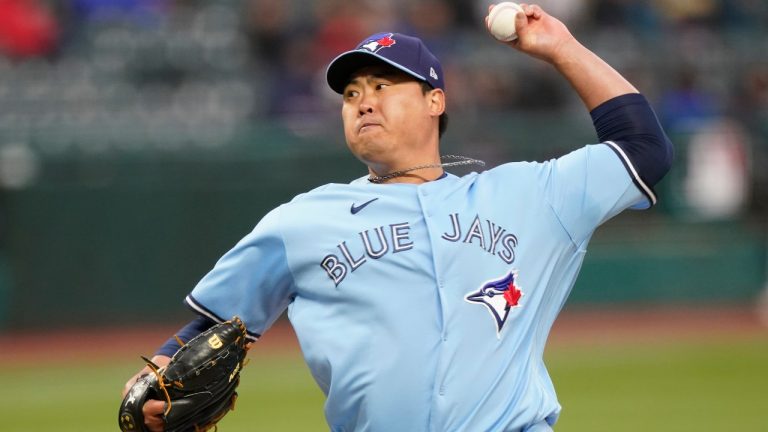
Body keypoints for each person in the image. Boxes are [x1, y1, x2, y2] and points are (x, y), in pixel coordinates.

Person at [122, 4, 673, 431]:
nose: (363, 101)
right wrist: (156, 377)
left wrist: (561, 48)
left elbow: (645, 148)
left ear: (436, 101)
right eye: (352, 93)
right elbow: (213, 327)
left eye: (384, 86)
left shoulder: (531, 195)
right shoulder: (302, 222)